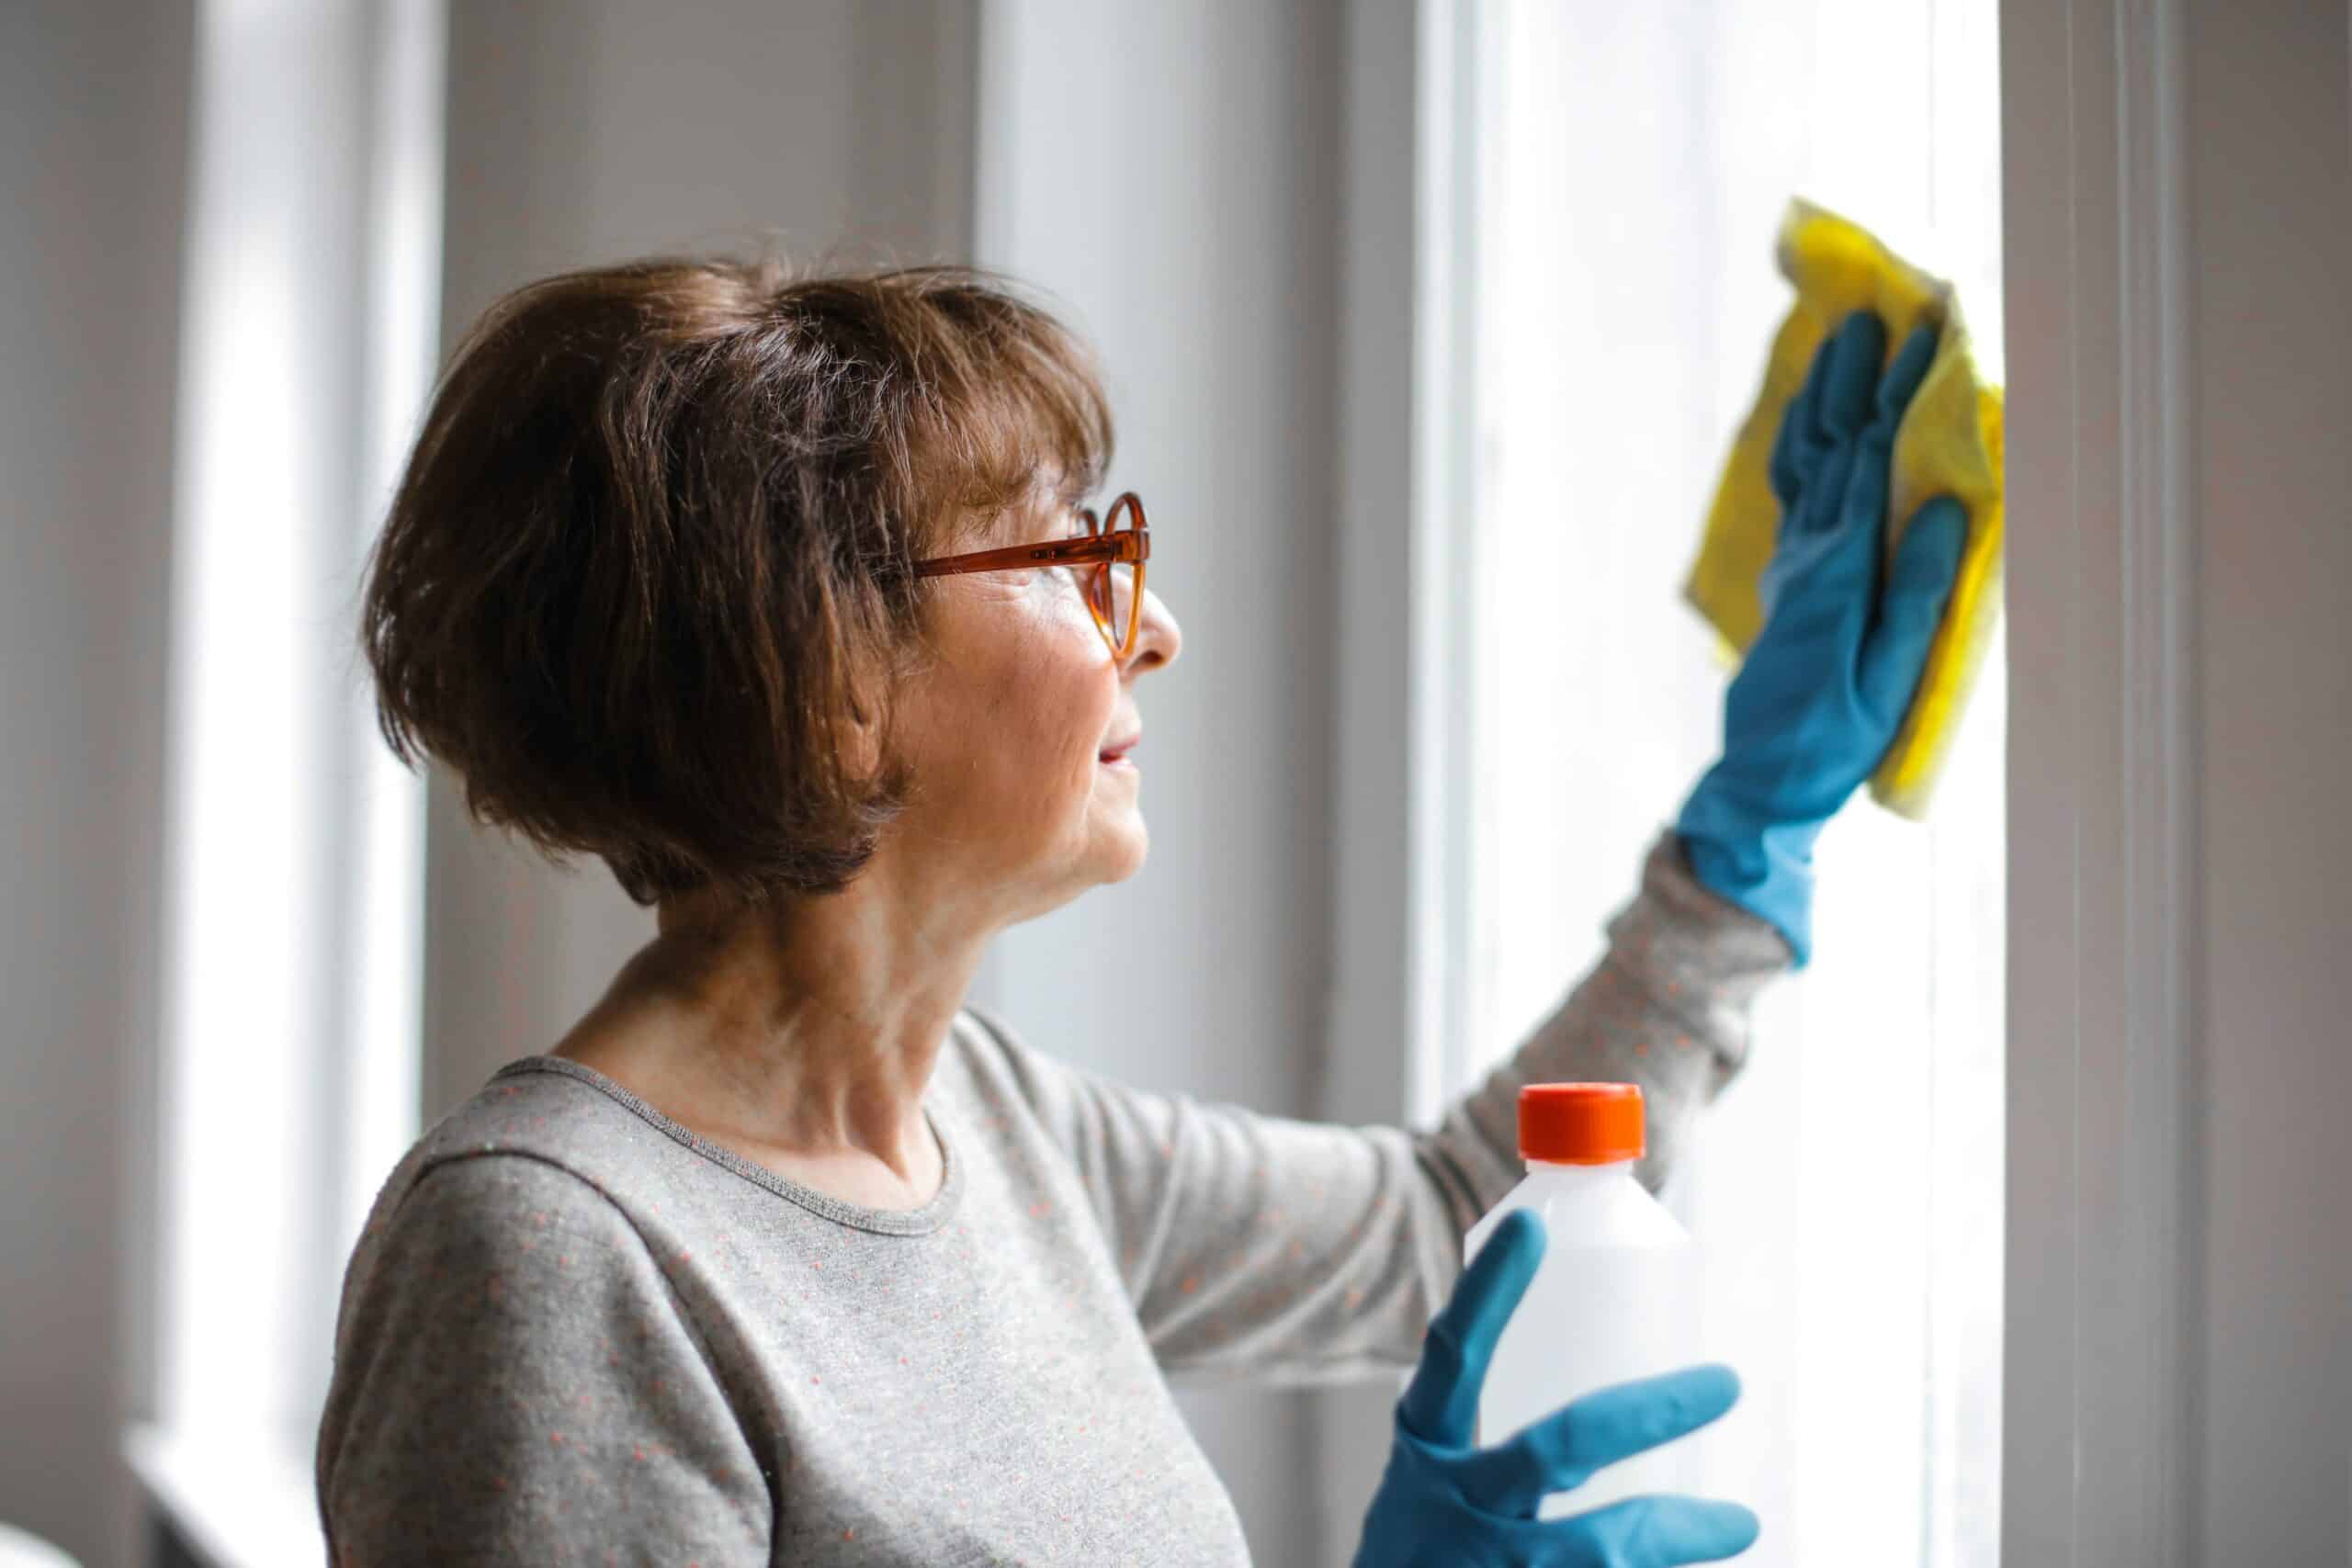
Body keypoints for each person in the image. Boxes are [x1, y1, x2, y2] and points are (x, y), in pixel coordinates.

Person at [314, 258, 1962, 1565]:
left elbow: (1451, 1220)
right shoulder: (551, 1259)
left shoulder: (1000, 1133)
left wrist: (1748, 835)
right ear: (825, 677)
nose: (1152, 625)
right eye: (1063, 555)